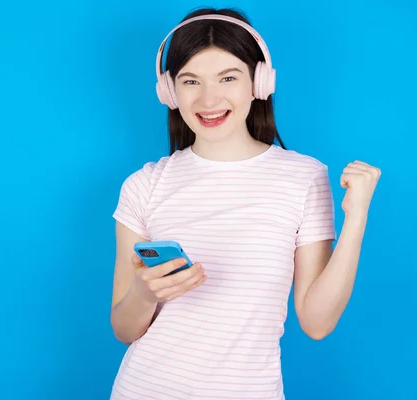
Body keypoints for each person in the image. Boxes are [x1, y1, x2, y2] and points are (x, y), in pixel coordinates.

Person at [109, 7, 381, 400]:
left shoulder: (303, 177)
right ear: (169, 90)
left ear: (259, 82)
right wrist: (146, 293)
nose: (209, 98)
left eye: (228, 78)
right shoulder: (144, 184)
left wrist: (356, 218)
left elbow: (317, 322)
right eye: (191, 81)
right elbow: (124, 328)